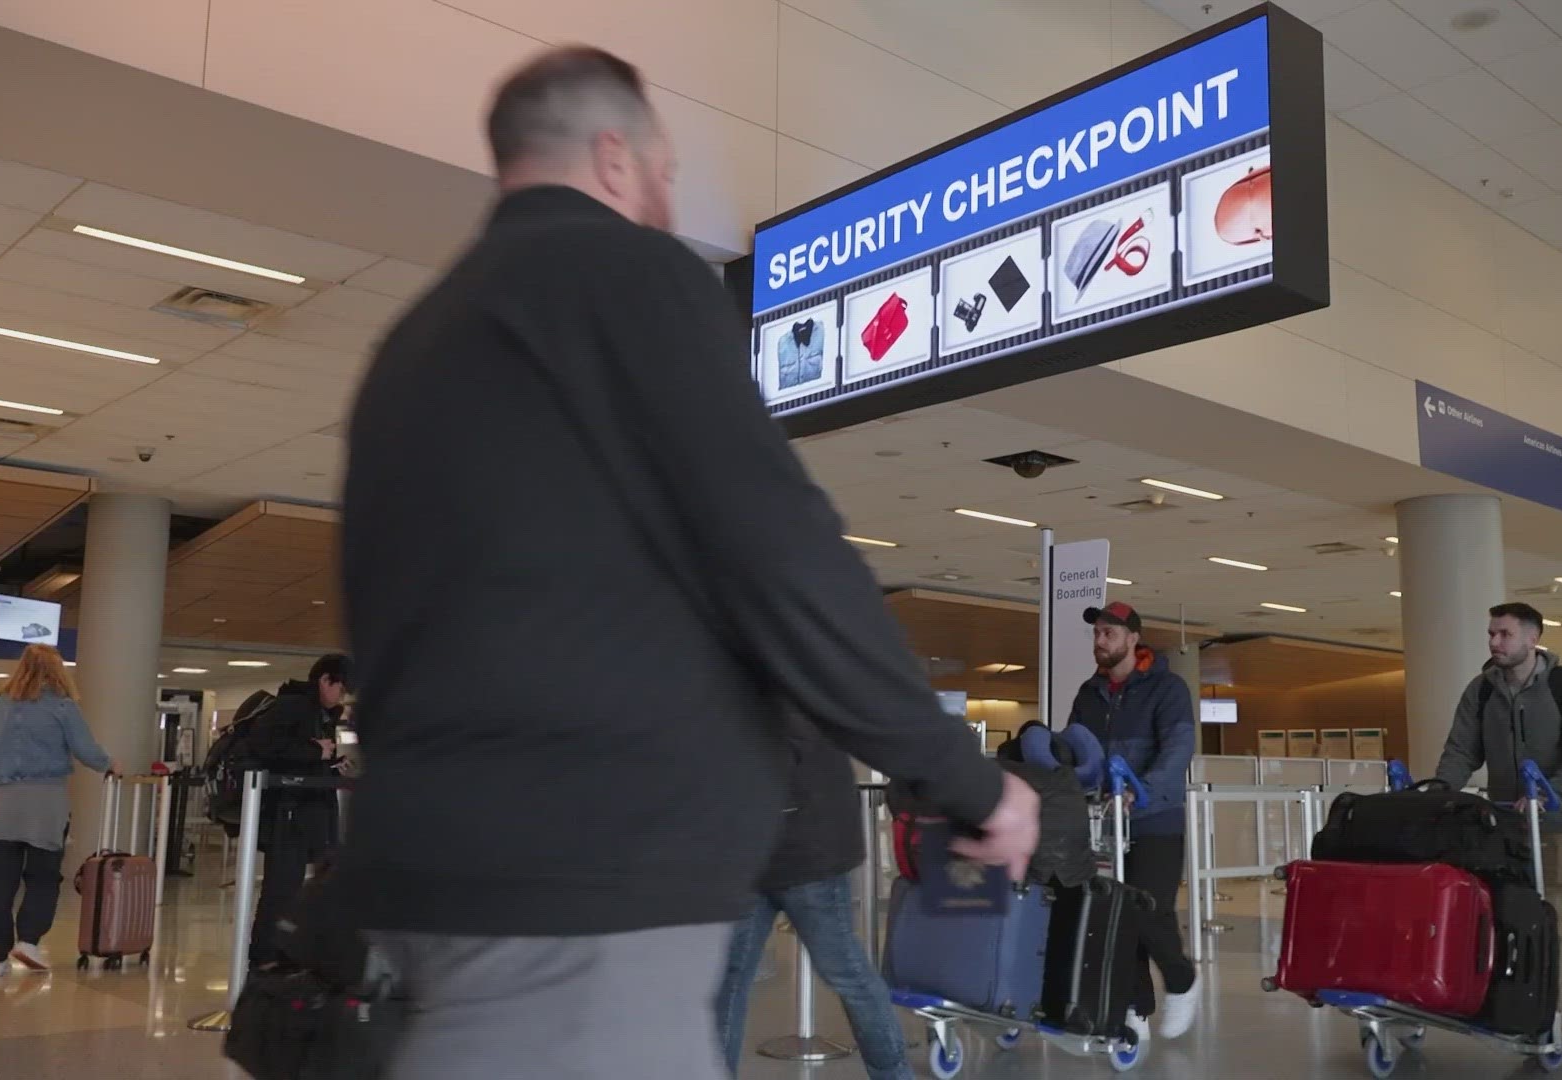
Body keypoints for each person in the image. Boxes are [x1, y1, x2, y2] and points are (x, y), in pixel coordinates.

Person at [337, 45, 1037, 1080]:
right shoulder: (627, 273)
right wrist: (968, 781)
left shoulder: (413, 343)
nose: (666, 196)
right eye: (666, 171)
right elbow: (779, 548)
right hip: (589, 883)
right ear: (616, 157)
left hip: (428, 877)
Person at [1435, 602, 1562, 1045]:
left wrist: (1549, 795)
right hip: (1510, 820)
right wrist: (1439, 791)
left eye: (1505, 634)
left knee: (1552, 905)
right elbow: (1461, 750)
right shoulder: (1482, 691)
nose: (1495, 642)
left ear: (1533, 638)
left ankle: (1540, 1008)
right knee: (1524, 909)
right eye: (1492, 633)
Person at [714, 715, 909, 1080]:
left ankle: (896, 1075)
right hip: (758, 857)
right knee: (733, 976)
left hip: (807, 857)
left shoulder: (785, 686)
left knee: (847, 974)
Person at [1063, 601, 1199, 1041]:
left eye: (1110, 633)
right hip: (1104, 821)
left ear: (1133, 637)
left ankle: (1182, 980)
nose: (1101, 641)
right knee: (1113, 915)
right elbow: (1076, 752)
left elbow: (1176, 750)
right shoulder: (1089, 693)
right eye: (1098, 633)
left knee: (1147, 910)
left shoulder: (1167, 688)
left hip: (1155, 818)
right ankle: (1134, 1008)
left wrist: (1138, 794)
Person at [0, 644, 116, 978]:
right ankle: (28, 942)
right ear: (58, 671)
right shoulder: (63, 707)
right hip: (46, 803)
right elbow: (86, 750)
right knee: (43, 877)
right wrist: (111, 764)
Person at [246, 653, 351, 968]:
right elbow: (264, 746)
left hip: (314, 807)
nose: (342, 696)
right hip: (290, 811)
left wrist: (333, 766)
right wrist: (314, 750)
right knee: (282, 886)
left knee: (321, 883)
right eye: (341, 688)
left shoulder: (323, 713)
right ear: (324, 680)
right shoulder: (293, 706)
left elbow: (309, 758)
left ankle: (301, 950)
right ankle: (265, 954)